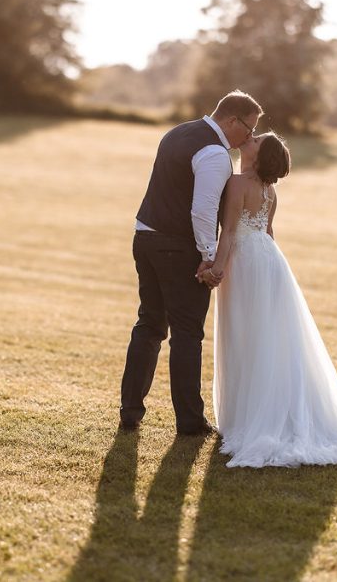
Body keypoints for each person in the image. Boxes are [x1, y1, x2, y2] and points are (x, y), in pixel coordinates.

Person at [203, 132, 337, 467]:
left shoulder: (238, 184)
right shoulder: (269, 192)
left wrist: (216, 269)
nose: (250, 139)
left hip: (246, 263)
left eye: (256, 140)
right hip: (270, 262)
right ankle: (261, 408)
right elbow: (267, 232)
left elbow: (227, 232)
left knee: (246, 334)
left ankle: (250, 417)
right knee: (268, 336)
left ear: (257, 156)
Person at [119, 90, 262, 435]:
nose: (249, 137)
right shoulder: (214, 153)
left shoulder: (178, 132)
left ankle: (131, 411)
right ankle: (189, 421)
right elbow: (202, 210)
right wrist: (209, 257)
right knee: (187, 335)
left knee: (149, 325)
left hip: (145, 236)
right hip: (178, 247)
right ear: (232, 121)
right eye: (248, 128)